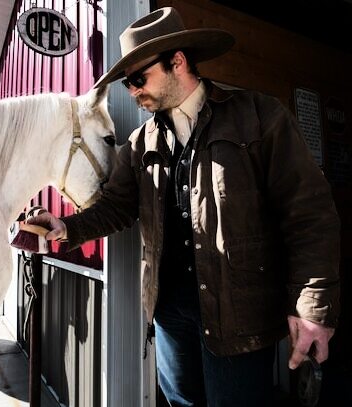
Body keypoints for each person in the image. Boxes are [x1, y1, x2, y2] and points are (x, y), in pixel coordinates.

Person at [28, 6, 340, 406]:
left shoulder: (259, 116)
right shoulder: (140, 144)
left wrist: (313, 306)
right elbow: (117, 207)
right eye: (127, 83)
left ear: (177, 62)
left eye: (139, 79)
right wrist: (67, 227)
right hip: (170, 312)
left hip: (237, 316)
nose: (133, 92)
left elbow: (308, 213)